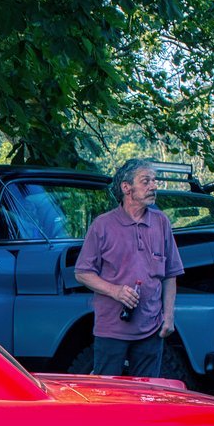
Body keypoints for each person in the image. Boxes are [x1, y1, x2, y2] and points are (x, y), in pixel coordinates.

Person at [73, 159, 184, 379]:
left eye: (154, 180)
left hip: (151, 328)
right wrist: (115, 291)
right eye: (146, 181)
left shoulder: (161, 222)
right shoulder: (103, 225)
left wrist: (169, 317)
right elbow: (82, 272)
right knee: (108, 393)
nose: (153, 186)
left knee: (147, 392)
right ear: (126, 188)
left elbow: (171, 274)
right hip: (112, 328)